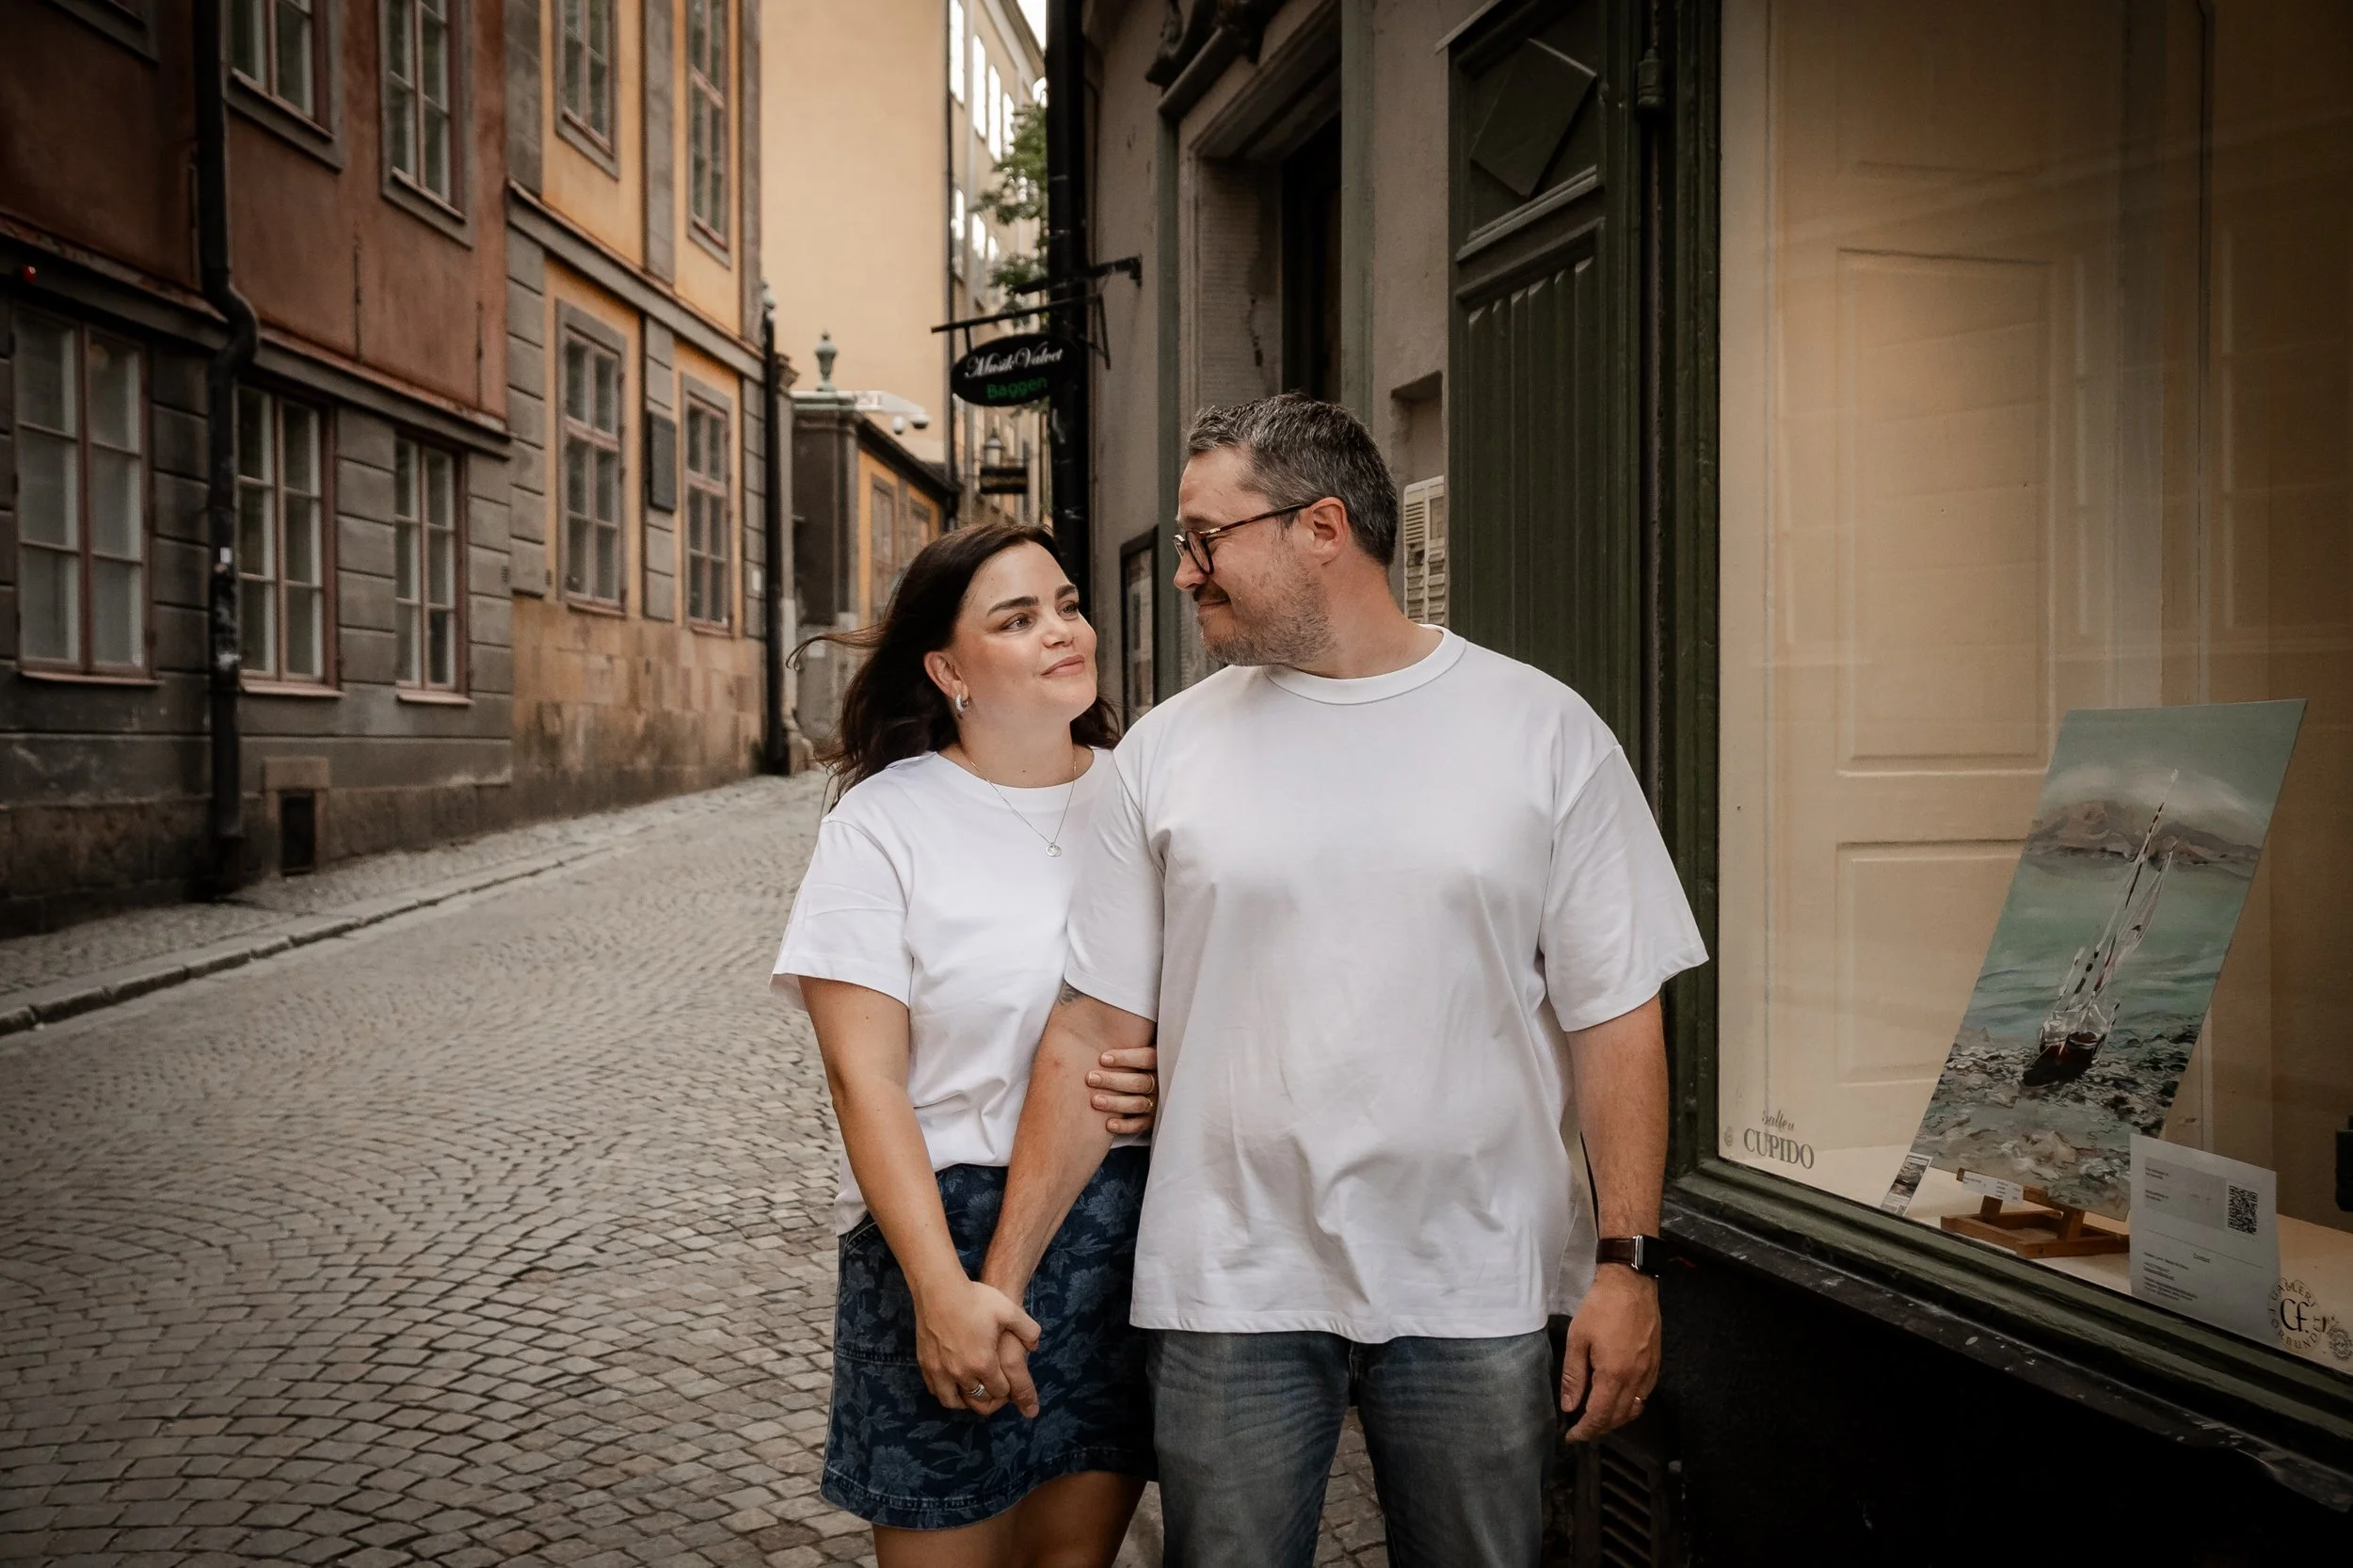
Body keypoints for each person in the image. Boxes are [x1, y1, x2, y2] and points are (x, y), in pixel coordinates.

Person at [976, 394, 1709, 1568]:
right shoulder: (1165, 752)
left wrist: (1626, 1269)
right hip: (1230, 1277)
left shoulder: (1542, 730)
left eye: (1206, 539)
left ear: (1320, 527)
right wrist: (996, 1280)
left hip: (1474, 1275)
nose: (1183, 572)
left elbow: (1616, 1013)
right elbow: (1088, 1031)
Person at [770, 524, 1161, 1567]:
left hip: (1116, 1223)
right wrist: (942, 1290)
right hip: (937, 1229)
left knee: (1071, 1562)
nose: (1061, 631)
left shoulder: (1147, 800)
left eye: (1068, 604)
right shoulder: (883, 824)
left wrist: (1180, 1078)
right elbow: (867, 1083)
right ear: (947, 670)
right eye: (1017, 617)